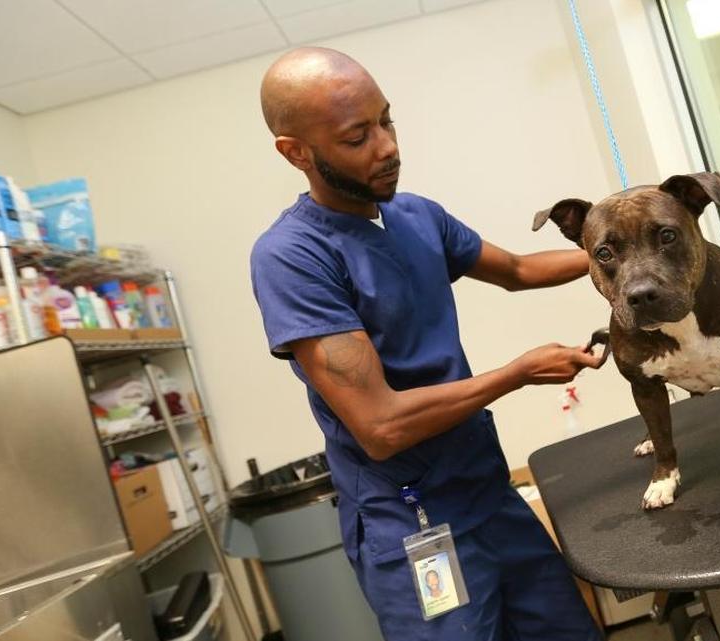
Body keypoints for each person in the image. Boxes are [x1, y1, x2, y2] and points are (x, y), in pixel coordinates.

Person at [250, 47, 603, 641]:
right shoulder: (293, 257)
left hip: (489, 494)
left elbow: (516, 268)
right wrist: (516, 373)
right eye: (358, 136)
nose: (387, 146)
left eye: (387, 121)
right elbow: (380, 426)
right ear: (296, 152)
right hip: (412, 523)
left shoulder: (417, 216)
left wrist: (624, 255)